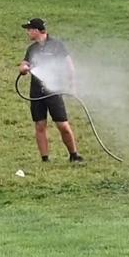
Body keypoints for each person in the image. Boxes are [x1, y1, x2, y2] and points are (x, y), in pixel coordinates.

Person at [18, 18, 84, 163]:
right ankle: (45, 158)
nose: (27, 32)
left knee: (63, 125)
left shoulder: (56, 45)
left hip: (53, 91)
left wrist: (72, 86)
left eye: (29, 29)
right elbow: (24, 63)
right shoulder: (32, 49)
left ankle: (74, 155)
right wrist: (23, 68)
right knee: (40, 125)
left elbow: (69, 66)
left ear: (37, 30)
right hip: (36, 93)